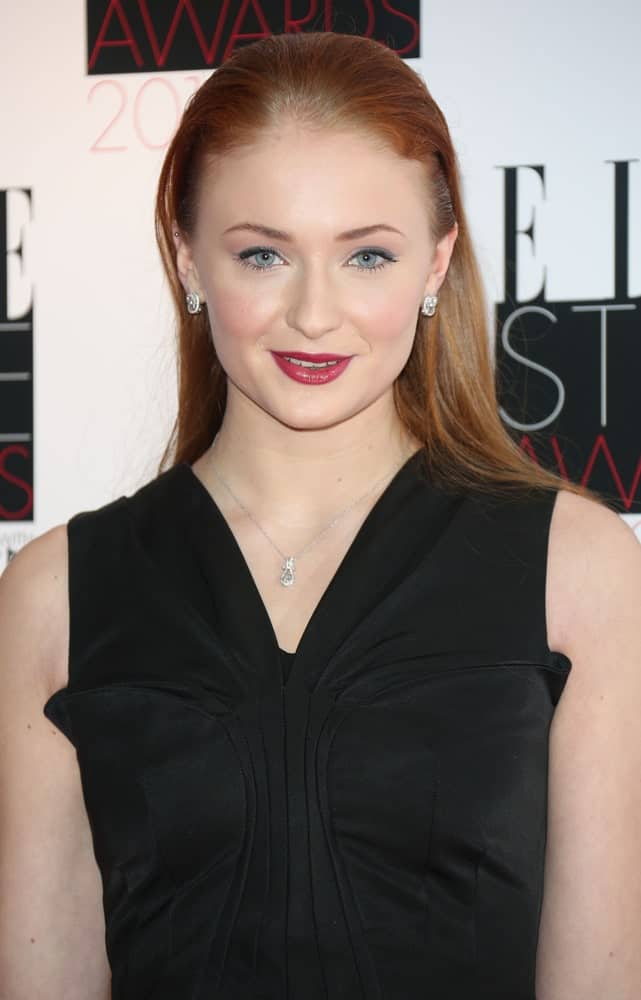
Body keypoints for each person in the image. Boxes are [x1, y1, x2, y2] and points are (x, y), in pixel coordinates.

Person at [1, 30, 640, 1000]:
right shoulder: (53, 597)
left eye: (365, 255)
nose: (312, 313)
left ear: (434, 264)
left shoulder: (578, 569)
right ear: (185, 257)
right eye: (262, 253)